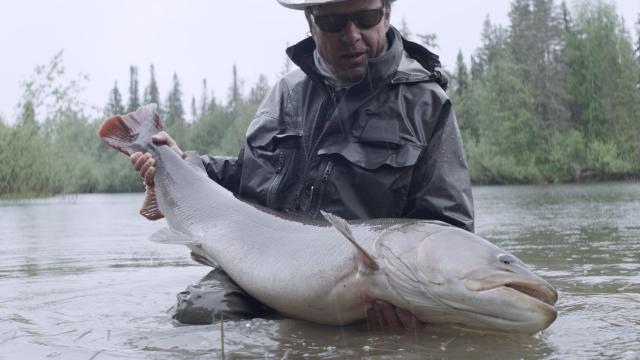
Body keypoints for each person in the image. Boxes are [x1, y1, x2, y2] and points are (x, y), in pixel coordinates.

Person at [130, 0, 474, 329]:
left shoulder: (426, 104)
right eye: (333, 22)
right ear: (311, 23)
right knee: (199, 316)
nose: (352, 35)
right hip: (259, 269)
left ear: (386, 15)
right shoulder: (286, 93)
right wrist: (184, 167)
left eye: (365, 18)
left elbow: (447, 228)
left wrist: (416, 299)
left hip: (362, 293)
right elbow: (249, 176)